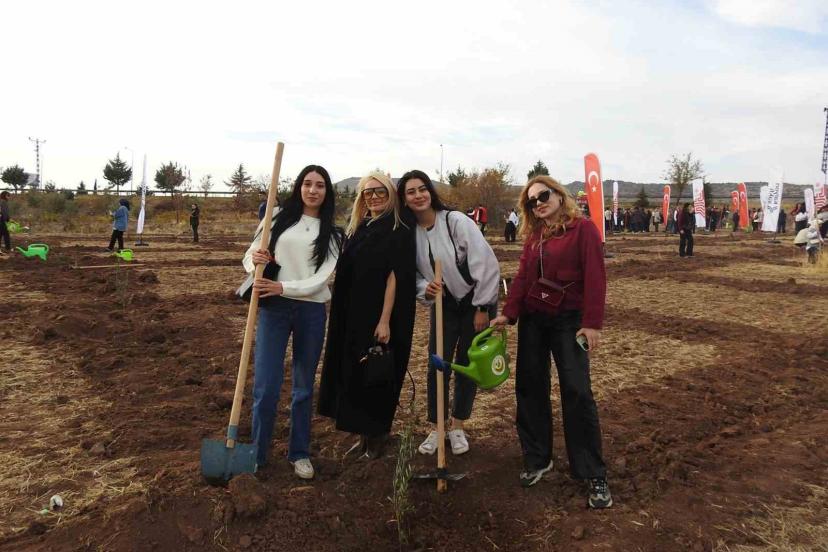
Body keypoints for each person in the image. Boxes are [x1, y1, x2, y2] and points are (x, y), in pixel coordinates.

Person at [489, 175, 611, 509]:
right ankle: (537, 458)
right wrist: (509, 314)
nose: (538, 203)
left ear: (559, 195)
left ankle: (591, 472)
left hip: (569, 322)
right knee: (529, 387)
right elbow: (524, 278)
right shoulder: (534, 236)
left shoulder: (583, 229)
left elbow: (596, 277)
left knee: (576, 390)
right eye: (531, 201)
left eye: (543, 195)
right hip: (534, 319)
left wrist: (592, 324)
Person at [243, 165, 344, 478]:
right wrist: (254, 261)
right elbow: (250, 255)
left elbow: (322, 279)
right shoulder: (276, 216)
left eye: (320, 186)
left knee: (302, 387)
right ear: (299, 186)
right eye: (307, 184)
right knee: (266, 387)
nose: (313, 190)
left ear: (327, 193)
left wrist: (283, 286)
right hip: (274, 309)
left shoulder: (334, 234)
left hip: (310, 312)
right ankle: (258, 454)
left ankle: (299, 452)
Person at [398, 170, 500, 457]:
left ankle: (457, 426)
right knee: (438, 363)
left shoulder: (454, 221)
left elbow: (486, 263)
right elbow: (415, 274)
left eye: (422, 189)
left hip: (475, 299)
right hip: (444, 302)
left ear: (430, 192)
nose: (418, 195)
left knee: (467, 363)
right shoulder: (411, 234)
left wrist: (482, 307)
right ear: (404, 199)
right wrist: (425, 289)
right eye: (411, 192)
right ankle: (437, 426)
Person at [318, 172, 416, 459]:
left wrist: (384, 319)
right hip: (353, 312)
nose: (373, 197)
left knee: (377, 372)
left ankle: (377, 437)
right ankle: (362, 435)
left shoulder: (398, 228)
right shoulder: (360, 227)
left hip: (380, 314)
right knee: (356, 372)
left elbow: (394, 277)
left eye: (380, 192)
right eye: (368, 192)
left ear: (391, 195)